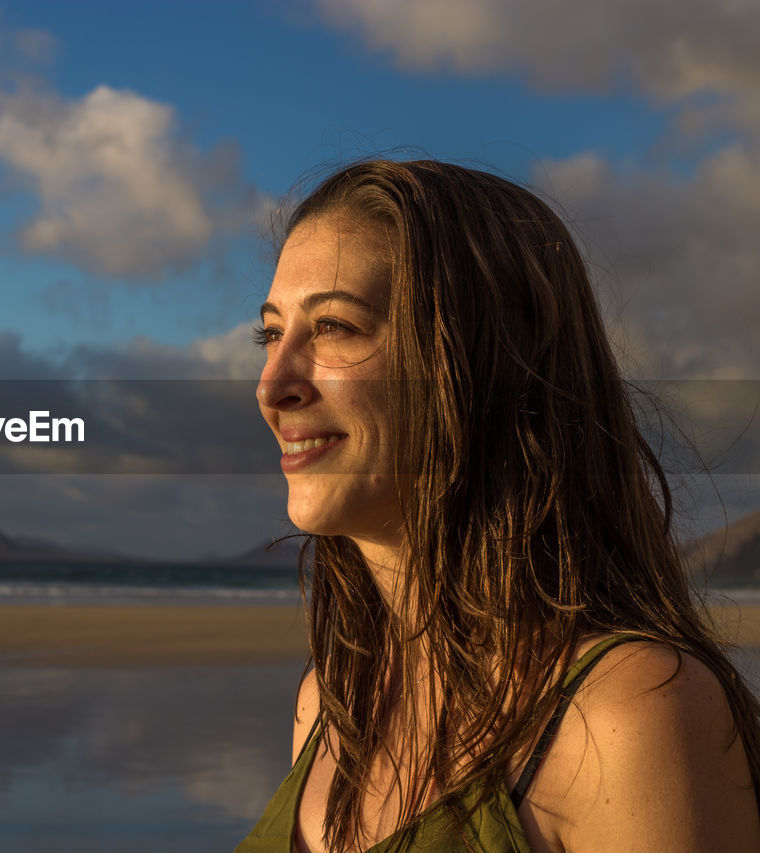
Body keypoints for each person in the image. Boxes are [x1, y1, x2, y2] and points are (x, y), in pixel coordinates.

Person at [237, 159, 760, 852]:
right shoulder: (335, 702)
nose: (272, 385)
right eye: (271, 334)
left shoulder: (626, 714)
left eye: (334, 326)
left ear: (481, 362)